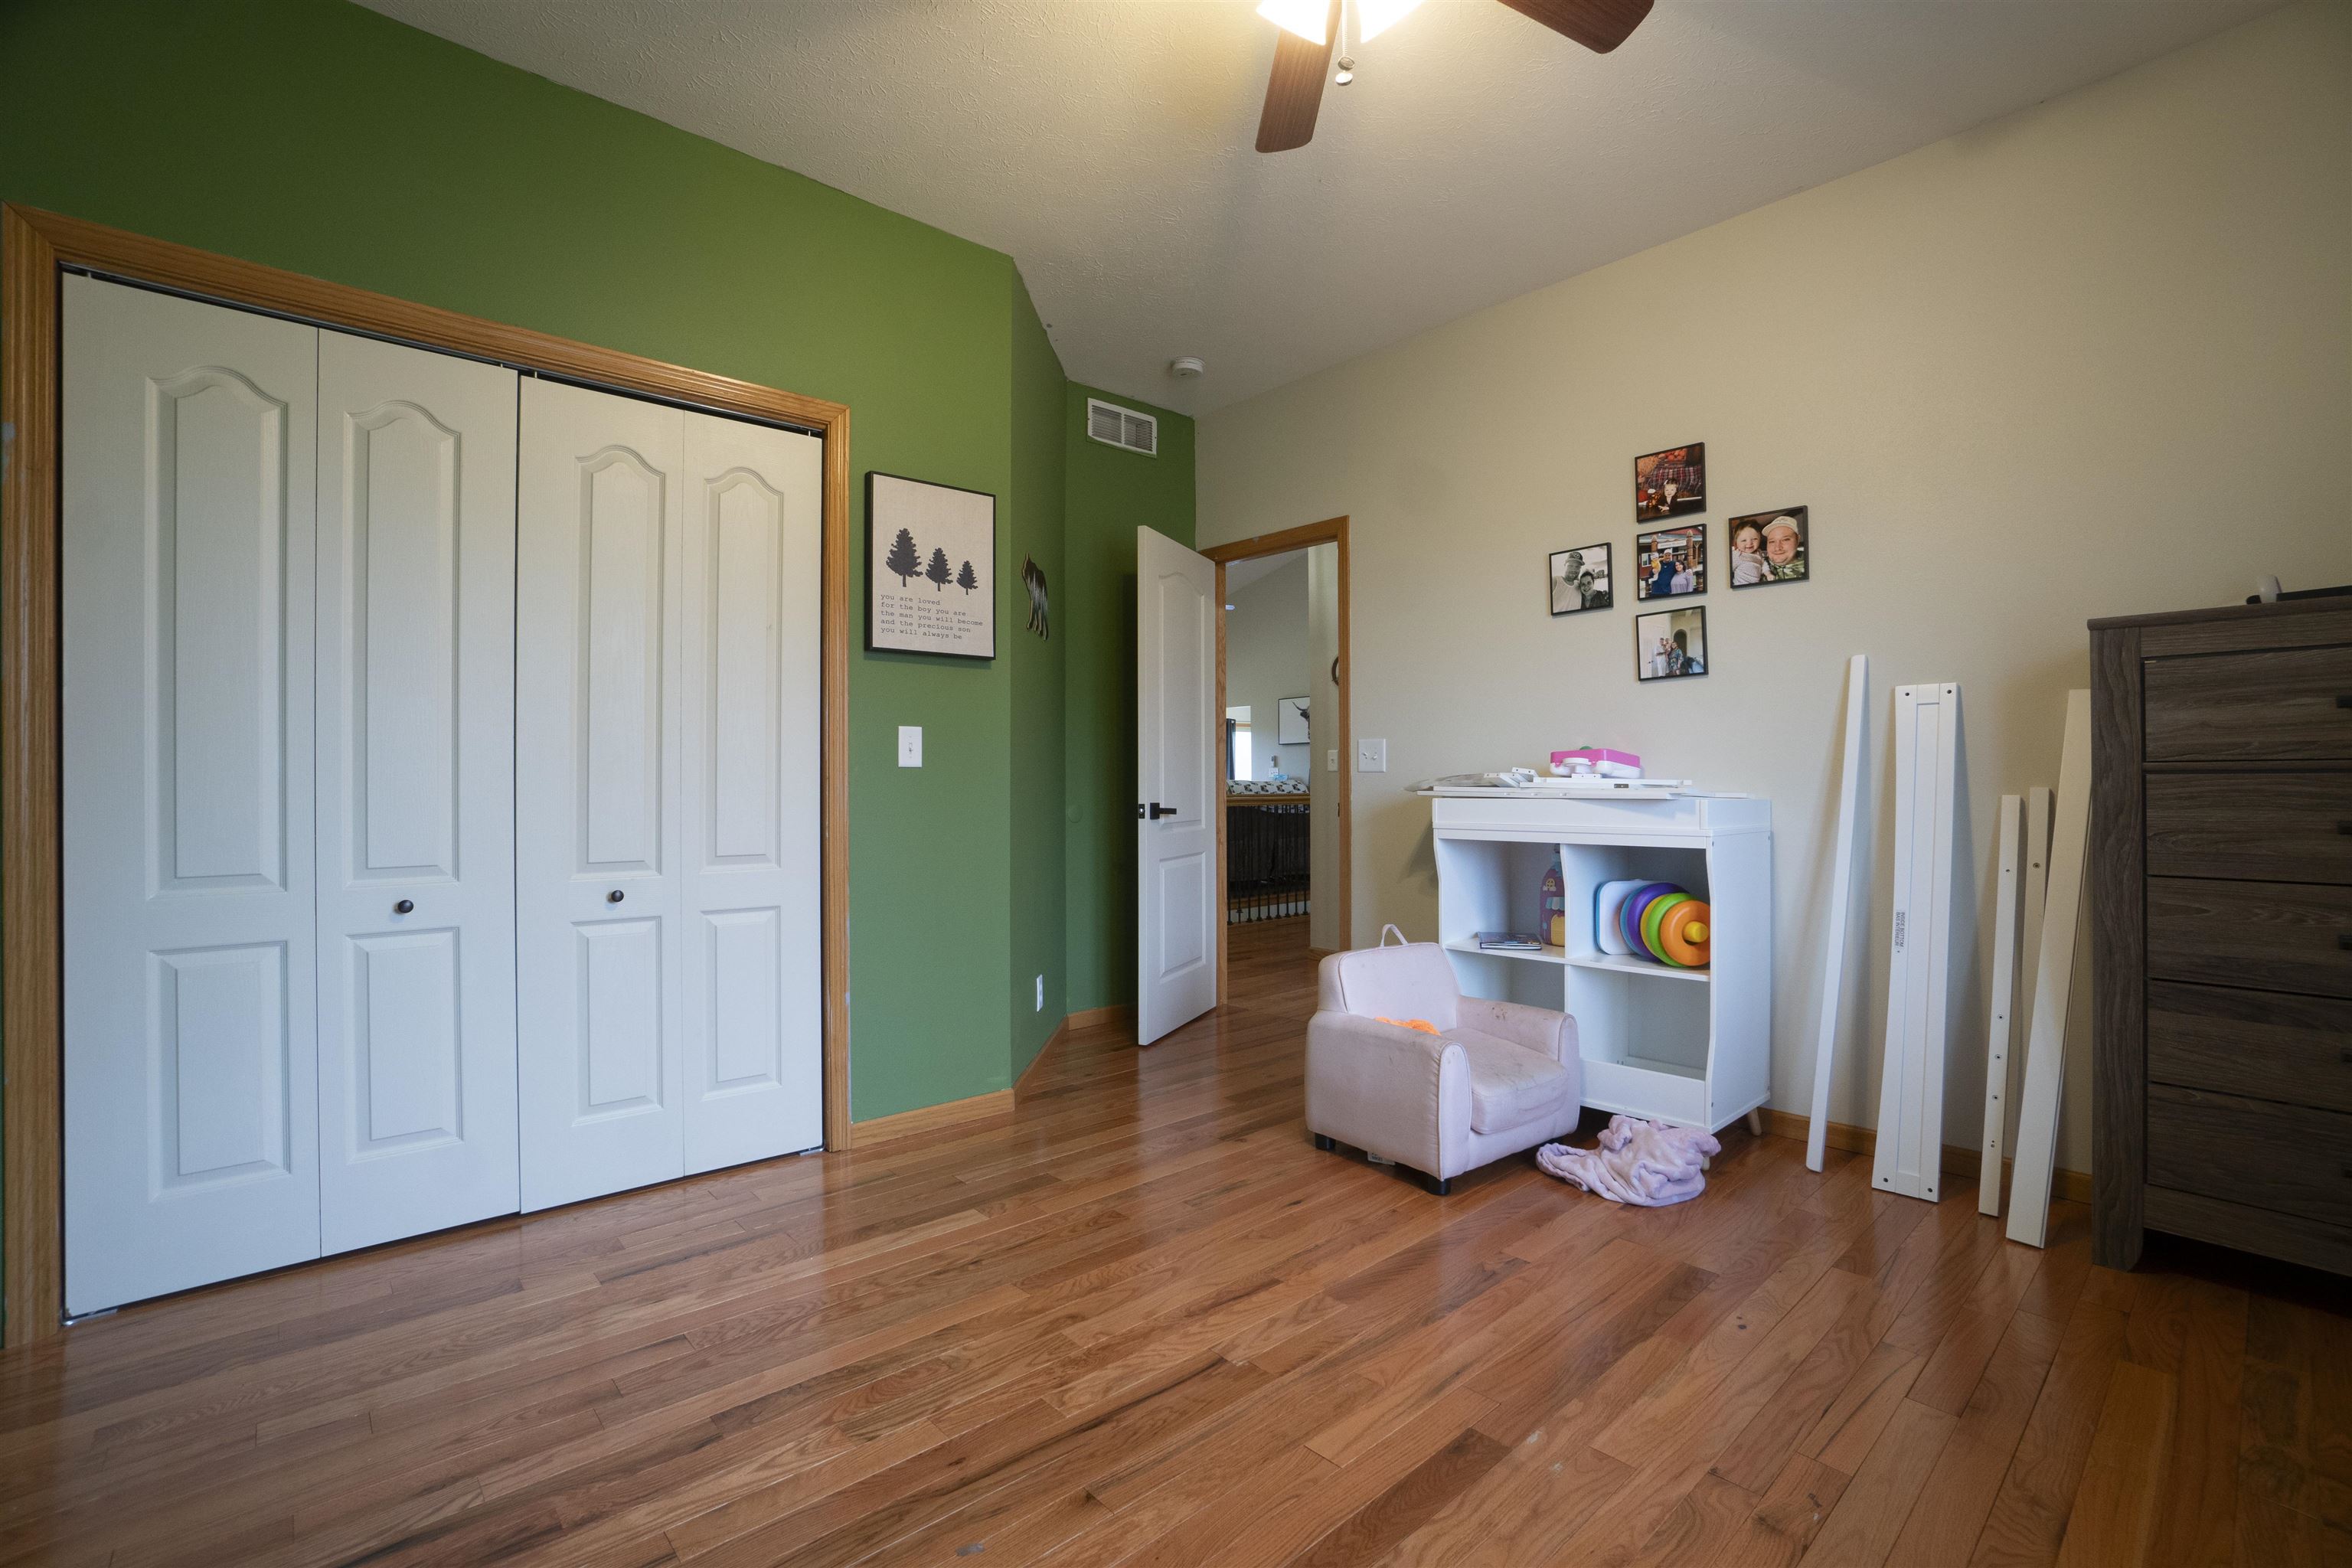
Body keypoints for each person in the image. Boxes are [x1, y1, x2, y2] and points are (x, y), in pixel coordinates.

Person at [1763, 515, 1805, 580]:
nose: (1777, 548)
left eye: (1785, 540)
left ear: (1798, 540)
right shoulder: (1756, 565)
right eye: (1772, 541)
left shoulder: (1813, 562)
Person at [1730, 519, 1770, 586]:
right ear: (1736, 543)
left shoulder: (1758, 553)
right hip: (1740, 586)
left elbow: (1763, 564)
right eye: (1744, 540)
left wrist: (1768, 573)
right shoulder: (1737, 555)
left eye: (1754, 539)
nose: (1749, 543)